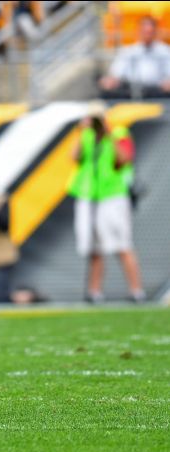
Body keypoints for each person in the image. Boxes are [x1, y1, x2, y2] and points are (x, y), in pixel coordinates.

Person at [69, 103, 145, 303]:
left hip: (113, 196)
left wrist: (108, 134)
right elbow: (74, 157)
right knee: (94, 248)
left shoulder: (119, 134)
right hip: (89, 195)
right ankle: (95, 292)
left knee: (122, 244)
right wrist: (80, 132)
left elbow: (124, 159)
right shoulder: (86, 135)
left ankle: (136, 291)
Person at [99, 16, 170, 99]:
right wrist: (111, 81)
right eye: (145, 32)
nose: (147, 35)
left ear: (155, 32)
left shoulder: (164, 51)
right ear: (138, 32)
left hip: (158, 92)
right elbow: (117, 73)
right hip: (131, 91)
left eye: (150, 32)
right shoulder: (128, 51)